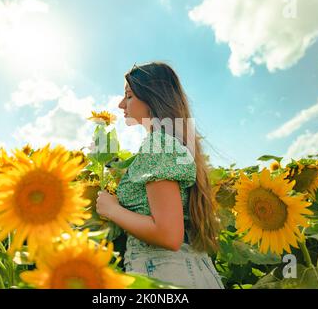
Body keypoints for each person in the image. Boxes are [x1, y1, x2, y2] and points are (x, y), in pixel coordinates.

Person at [96, 61, 224, 289]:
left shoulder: (160, 144)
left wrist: (112, 209)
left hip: (166, 273)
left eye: (129, 96)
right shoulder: (169, 143)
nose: (120, 104)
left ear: (152, 99)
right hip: (185, 270)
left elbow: (168, 235)